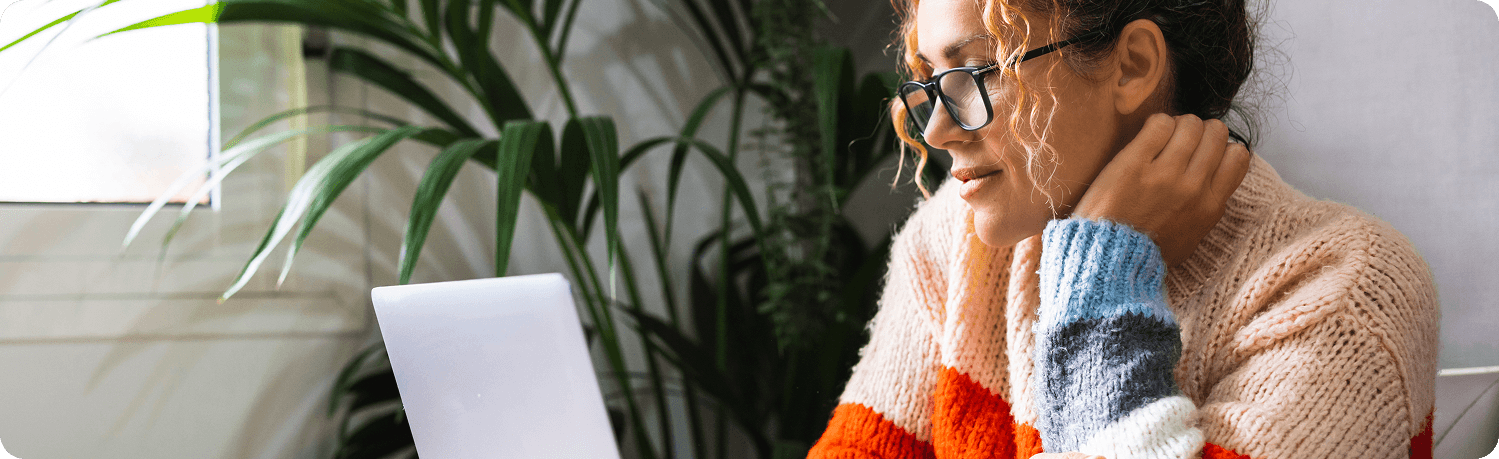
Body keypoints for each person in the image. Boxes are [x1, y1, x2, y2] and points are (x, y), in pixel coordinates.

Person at [806, 0, 1440, 458]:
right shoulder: (955, 240)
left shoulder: (1345, 289)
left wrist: (1102, 277)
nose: (938, 131)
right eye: (930, 82)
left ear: (1134, 65)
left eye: (979, 71)